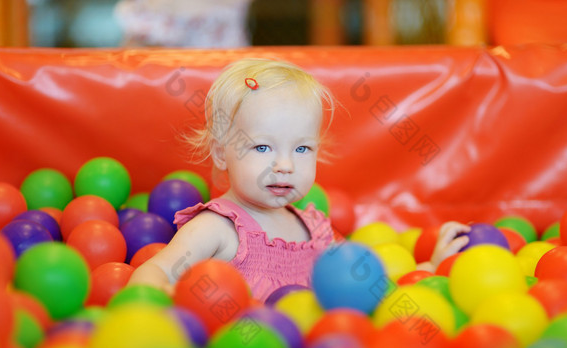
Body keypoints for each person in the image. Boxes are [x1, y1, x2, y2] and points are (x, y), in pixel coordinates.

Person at [128, 58, 469, 301]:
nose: (285, 165)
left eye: (302, 148)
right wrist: (163, 304)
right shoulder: (216, 228)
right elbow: (156, 272)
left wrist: (429, 267)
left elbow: (363, 291)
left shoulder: (315, 230)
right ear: (221, 153)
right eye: (262, 146)